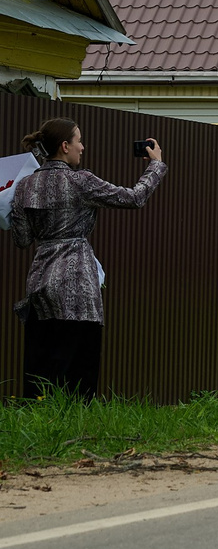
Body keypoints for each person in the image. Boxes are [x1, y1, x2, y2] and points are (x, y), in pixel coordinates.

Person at [11, 118, 164, 399]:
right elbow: (133, 198)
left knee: (40, 372)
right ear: (65, 146)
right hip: (76, 287)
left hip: (39, 288)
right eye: (79, 140)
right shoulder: (80, 181)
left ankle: (40, 425)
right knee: (79, 376)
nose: (83, 147)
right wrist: (154, 165)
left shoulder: (24, 187)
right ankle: (75, 427)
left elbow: (21, 240)